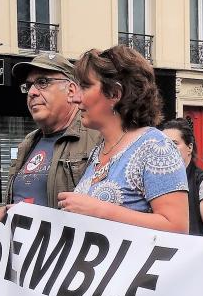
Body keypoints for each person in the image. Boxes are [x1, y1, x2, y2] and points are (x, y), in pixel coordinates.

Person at [56, 46, 189, 232]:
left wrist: (100, 210)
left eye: (85, 86)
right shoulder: (100, 149)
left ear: (114, 94)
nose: (75, 98)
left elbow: (177, 227)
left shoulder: (156, 147)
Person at [0, 51, 99, 240]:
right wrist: (0, 213)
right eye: (29, 85)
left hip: (69, 260)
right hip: (26, 261)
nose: (32, 92)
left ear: (71, 91)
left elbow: (108, 207)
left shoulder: (97, 137)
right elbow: (24, 202)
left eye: (43, 82)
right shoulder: (28, 143)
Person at [160, 117, 203, 238]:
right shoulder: (156, 182)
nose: (167, 149)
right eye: (163, 144)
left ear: (189, 147)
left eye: (174, 143)